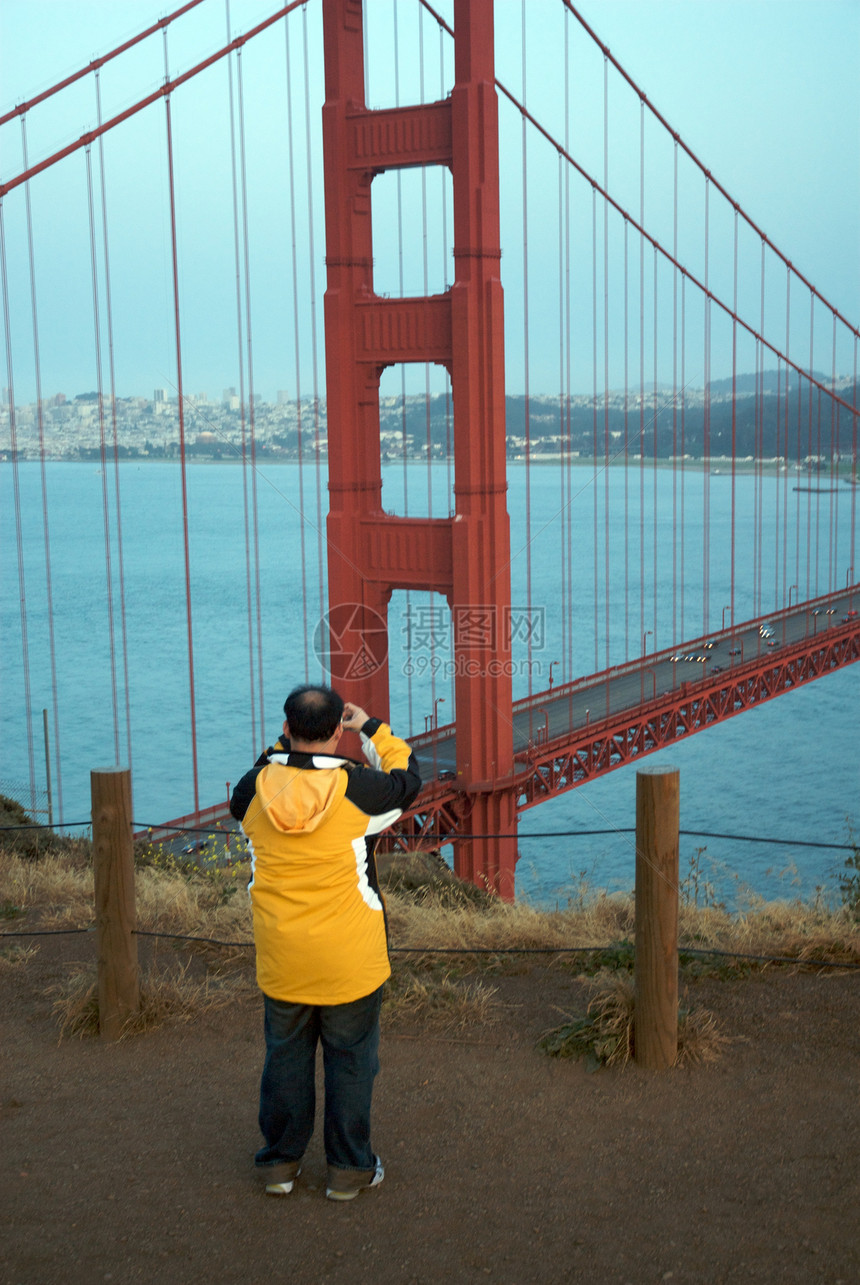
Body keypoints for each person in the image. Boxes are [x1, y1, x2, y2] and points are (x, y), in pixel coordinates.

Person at [229, 683, 421, 1202]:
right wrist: (373, 729)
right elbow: (408, 779)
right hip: (349, 958)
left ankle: (279, 1166)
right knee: (352, 1063)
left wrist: (288, 742)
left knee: (285, 1060)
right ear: (338, 731)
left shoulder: (251, 791)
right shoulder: (360, 792)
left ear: (287, 729)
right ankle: (348, 1171)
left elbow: (265, 765)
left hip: (282, 955)